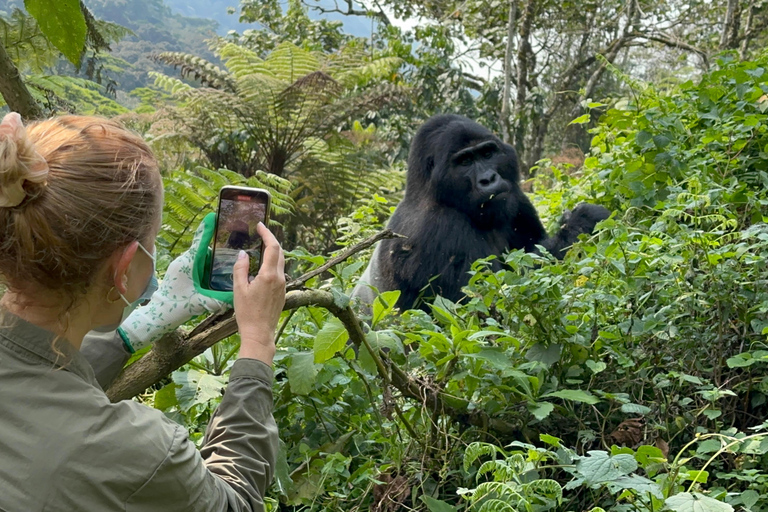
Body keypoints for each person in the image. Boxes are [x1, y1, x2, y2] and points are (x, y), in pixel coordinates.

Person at [0, 112, 286, 511]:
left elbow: (37, 383)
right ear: (125, 269)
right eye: (152, 243)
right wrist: (256, 343)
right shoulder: (137, 451)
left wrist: (136, 329)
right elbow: (235, 501)